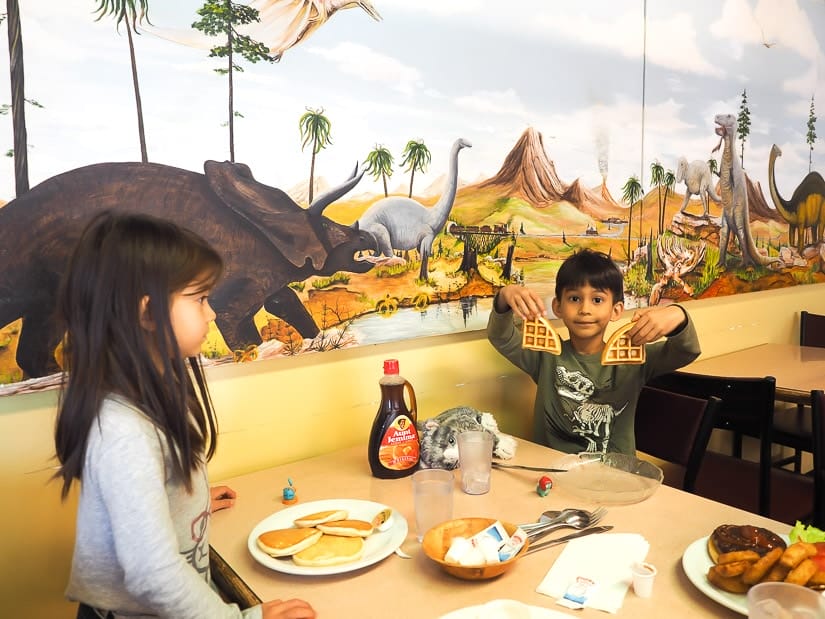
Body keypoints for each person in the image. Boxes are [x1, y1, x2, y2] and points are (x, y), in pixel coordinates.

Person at [54, 212, 316, 619]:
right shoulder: (122, 430)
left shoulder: (151, 391)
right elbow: (152, 574)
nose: (211, 314)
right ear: (147, 313)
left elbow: (140, 495)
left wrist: (182, 502)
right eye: (200, 299)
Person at [487, 248, 701, 455]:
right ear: (558, 307)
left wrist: (677, 315)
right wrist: (504, 297)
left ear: (616, 310)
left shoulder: (634, 360)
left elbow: (686, 351)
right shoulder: (545, 357)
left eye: (597, 300)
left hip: (615, 476)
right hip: (552, 472)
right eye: (574, 298)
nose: (585, 309)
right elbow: (502, 337)